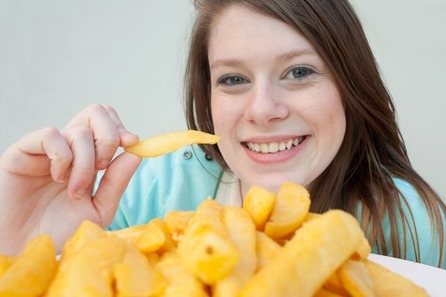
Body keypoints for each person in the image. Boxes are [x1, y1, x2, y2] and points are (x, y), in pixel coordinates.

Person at [0, 0, 445, 269]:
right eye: (233, 79)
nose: (263, 110)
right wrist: (28, 247)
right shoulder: (150, 196)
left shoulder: (410, 225)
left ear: (351, 87)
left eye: (299, 71)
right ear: (206, 96)